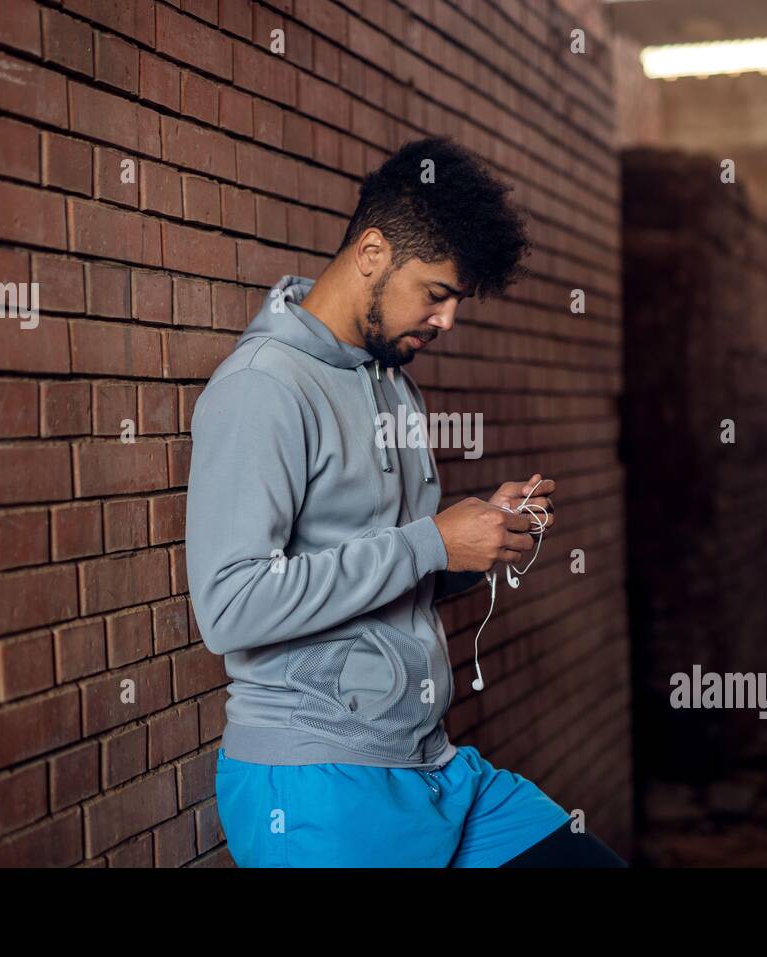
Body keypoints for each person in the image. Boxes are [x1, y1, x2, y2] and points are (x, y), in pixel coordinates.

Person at [185, 135, 627, 868]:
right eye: (437, 293)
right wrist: (432, 542)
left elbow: (389, 570)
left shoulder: (394, 384)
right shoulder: (263, 385)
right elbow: (230, 606)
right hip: (313, 781)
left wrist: (476, 543)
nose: (447, 319)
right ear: (371, 254)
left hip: (430, 766)